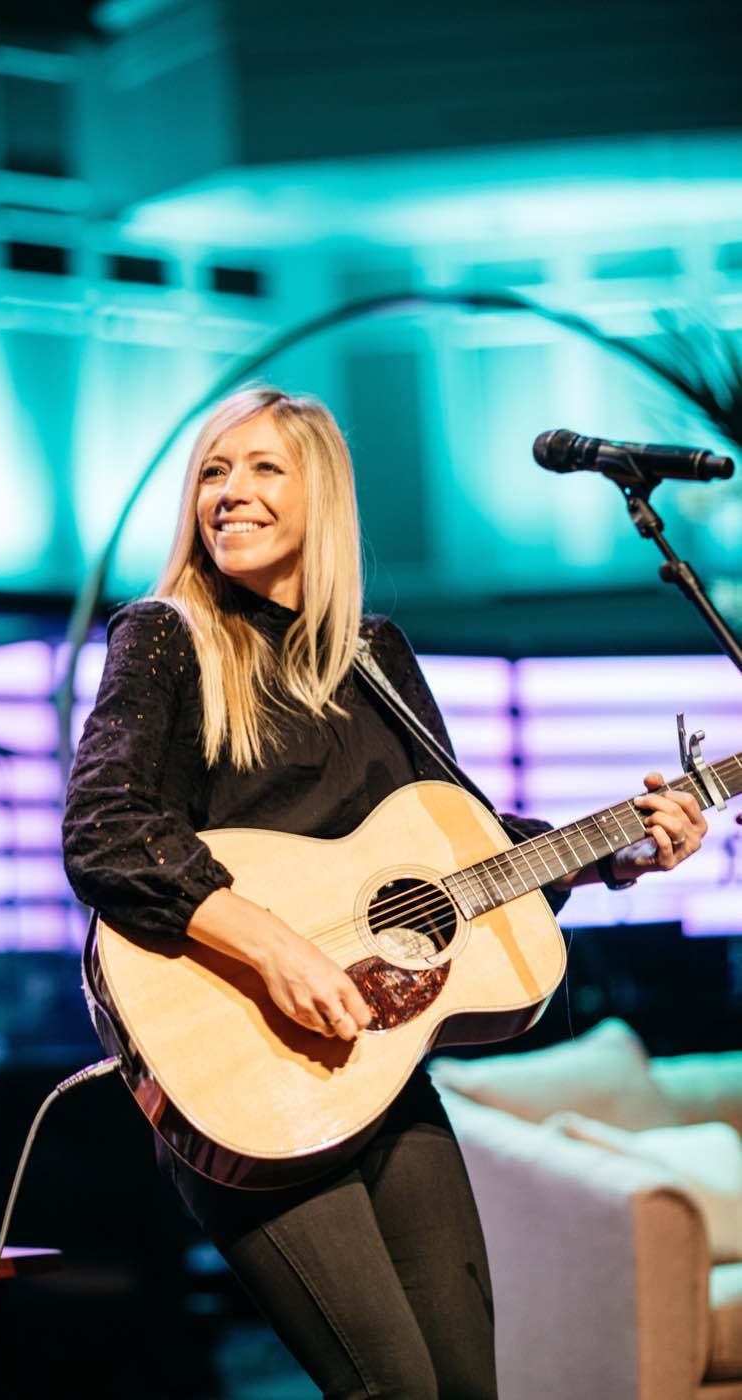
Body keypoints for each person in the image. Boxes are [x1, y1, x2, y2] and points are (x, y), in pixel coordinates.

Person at [62, 386, 708, 1400]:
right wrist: (280, 947)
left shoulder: (377, 659)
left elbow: (464, 862)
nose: (228, 494)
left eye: (262, 468)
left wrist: (620, 850)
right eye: (213, 473)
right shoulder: (166, 635)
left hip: (382, 1071)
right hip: (248, 1075)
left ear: (320, 493)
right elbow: (106, 832)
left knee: (466, 1385)